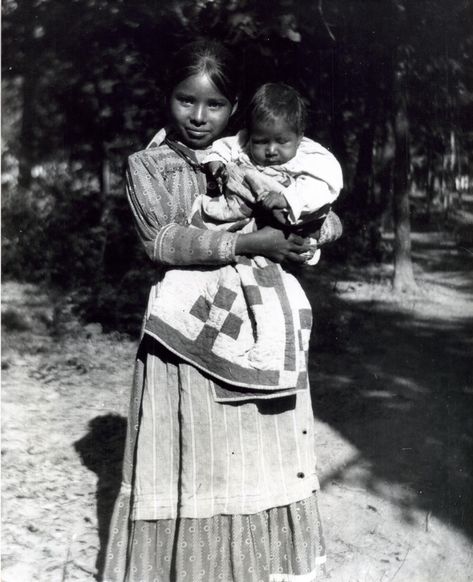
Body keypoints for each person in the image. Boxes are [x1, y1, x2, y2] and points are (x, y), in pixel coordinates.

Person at [103, 39, 328, 582]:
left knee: (254, 455)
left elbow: (315, 207)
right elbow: (163, 240)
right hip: (183, 334)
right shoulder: (148, 164)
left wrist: (311, 232)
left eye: (214, 106)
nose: (198, 117)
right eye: (186, 100)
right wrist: (257, 244)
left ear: (234, 109)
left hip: (262, 328)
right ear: (168, 97)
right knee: (190, 454)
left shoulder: (252, 157)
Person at [195, 82, 343, 265]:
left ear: (299, 138)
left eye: (282, 141)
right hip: (251, 214)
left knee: (308, 231)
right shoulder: (244, 141)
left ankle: (307, 244)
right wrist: (217, 161)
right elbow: (226, 146)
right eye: (261, 141)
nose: (271, 150)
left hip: (291, 213)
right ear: (250, 135)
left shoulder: (309, 156)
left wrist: (287, 198)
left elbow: (323, 183)